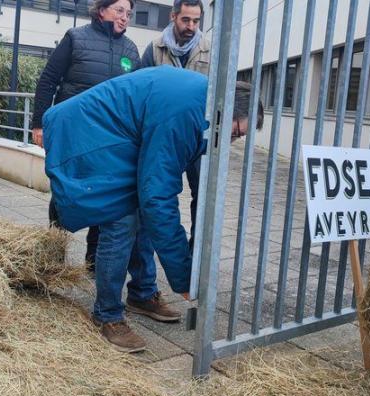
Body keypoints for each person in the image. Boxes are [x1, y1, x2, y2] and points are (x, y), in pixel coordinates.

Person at [43, 66, 264, 352]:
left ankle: (142, 294)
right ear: (229, 111)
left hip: (120, 137)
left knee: (142, 214)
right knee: (121, 219)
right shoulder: (185, 113)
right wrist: (183, 277)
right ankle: (108, 314)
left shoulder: (206, 109)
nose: (234, 140)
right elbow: (158, 197)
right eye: (237, 132)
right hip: (87, 132)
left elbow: (203, 191)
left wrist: (197, 256)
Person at [31, 0, 140, 273]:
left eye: (128, 13)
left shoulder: (131, 50)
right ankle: (54, 254)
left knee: (103, 196)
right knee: (64, 191)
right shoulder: (75, 38)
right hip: (73, 135)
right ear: (101, 10)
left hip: (109, 139)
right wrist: (38, 125)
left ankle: (93, 261)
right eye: (119, 10)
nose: (125, 17)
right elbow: (48, 81)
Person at [142, 0, 210, 250]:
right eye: (186, 20)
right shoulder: (154, 48)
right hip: (163, 138)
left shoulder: (210, 50)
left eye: (196, 20)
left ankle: (195, 255)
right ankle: (146, 277)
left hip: (198, 137)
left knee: (202, 197)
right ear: (173, 17)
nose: (191, 26)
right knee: (155, 196)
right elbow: (142, 91)